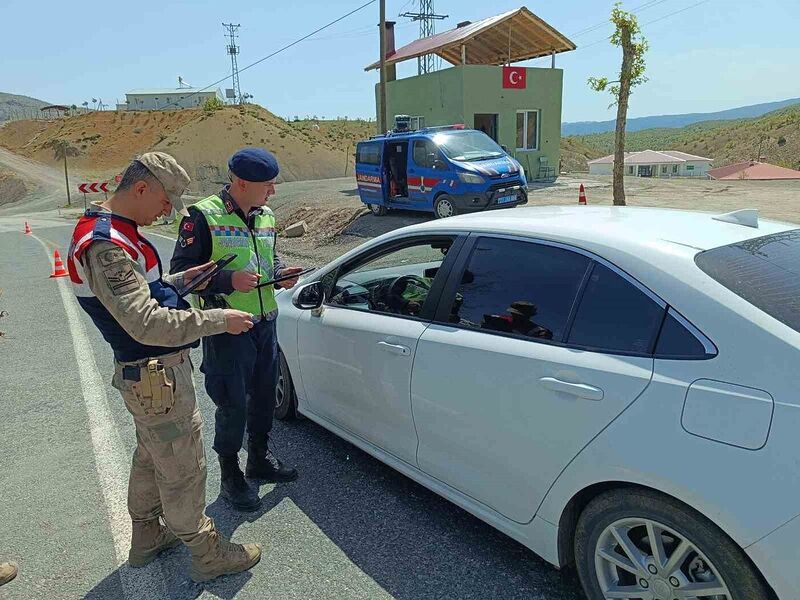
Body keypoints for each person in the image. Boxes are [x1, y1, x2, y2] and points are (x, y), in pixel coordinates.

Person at [67, 151, 261, 582]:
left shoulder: (119, 232)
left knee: (153, 456)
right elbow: (144, 321)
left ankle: (148, 536)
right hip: (155, 375)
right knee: (182, 466)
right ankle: (207, 553)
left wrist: (187, 280)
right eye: (166, 200)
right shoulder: (106, 245)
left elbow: (146, 291)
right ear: (141, 188)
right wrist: (217, 321)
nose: (169, 211)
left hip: (150, 376)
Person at [170, 148, 303, 513]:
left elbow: (267, 258)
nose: (273, 192)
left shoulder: (266, 215)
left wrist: (281, 274)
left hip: (264, 323)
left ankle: (258, 459)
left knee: (263, 398)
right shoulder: (202, 216)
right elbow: (182, 277)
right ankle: (230, 476)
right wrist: (229, 279)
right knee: (232, 404)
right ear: (241, 182)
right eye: (267, 185)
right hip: (227, 328)